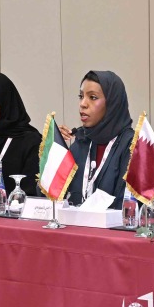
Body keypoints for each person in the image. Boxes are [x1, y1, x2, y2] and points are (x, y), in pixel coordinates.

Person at [58, 71, 134, 209]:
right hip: (74, 227)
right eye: (81, 96)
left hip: (110, 229)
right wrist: (56, 150)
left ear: (112, 102)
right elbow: (52, 197)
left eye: (92, 97)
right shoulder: (81, 142)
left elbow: (126, 205)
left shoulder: (131, 145)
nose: (83, 104)